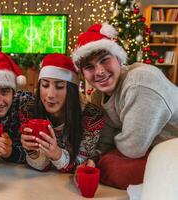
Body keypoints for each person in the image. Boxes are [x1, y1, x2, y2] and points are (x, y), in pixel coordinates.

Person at [72, 22, 178, 188]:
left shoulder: (139, 82)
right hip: (153, 149)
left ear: (119, 59)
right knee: (102, 166)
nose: (99, 71)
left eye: (104, 60)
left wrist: (107, 152)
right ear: (83, 73)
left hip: (171, 148)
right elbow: (105, 139)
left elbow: (133, 148)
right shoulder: (98, 95)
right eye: (89, 67)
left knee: (115, 170)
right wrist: (94, 158)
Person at [20, 53, 105, 173]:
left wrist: (57, 154)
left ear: (71, 91)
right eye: (45, 85)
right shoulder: (28, 110)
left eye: (59, 87)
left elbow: (81, 166)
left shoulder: (92, 117)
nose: (50, 95)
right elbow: (43, 167)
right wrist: (32, 152)